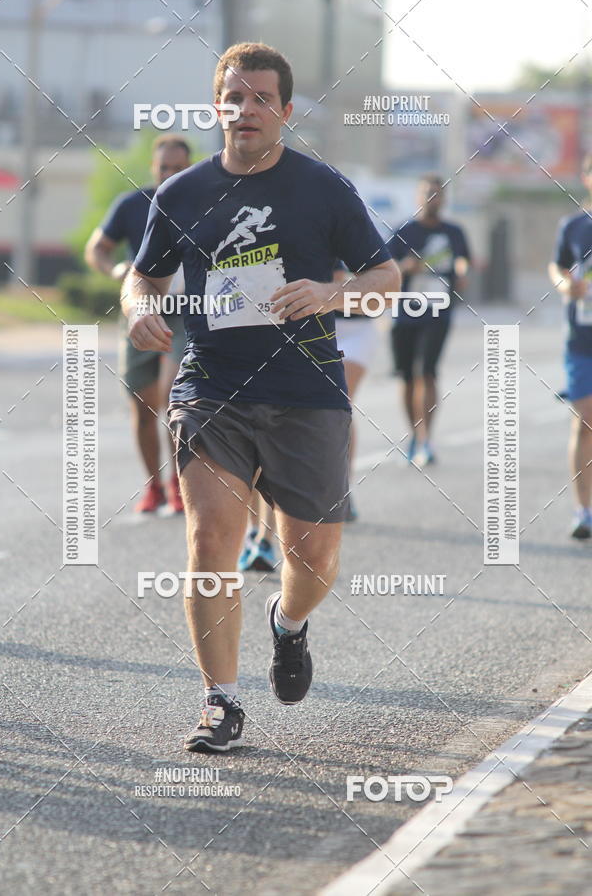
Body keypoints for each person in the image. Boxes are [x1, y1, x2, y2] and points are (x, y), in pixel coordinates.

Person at [122, 42, 400, 752]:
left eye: (260, 99)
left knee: (311, 560)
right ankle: (220, 701)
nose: (246, 111)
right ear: (219, 107)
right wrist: (136, 308)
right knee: (210, 535)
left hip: (306, 386)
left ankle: (289, 623)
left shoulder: (323, 187)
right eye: (234, 98)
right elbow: (142, 277)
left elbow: (387, 275)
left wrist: (331, 292)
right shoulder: (179, 194)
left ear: (284, 109)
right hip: (210, 384)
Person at [85, 135, 191, 513]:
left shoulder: (205, 203)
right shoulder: (132, 204)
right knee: (143, 406)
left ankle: (181, 484)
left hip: (187, 310)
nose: (171, 175)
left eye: (179, 169)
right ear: (153, 168)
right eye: (165, 168)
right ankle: (154, 486)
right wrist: (114, 269)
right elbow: (97, 247)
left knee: (175, 398)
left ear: (189, 168)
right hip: (142, 307)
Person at [388, 174, 470, 467]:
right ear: (417, 197)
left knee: (428, 371)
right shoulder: (403, 231)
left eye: (437, 194)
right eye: (427, 193)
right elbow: (382, 268)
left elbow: (463, 259)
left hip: (438, 310)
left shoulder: (454, 232)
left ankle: (426, 438)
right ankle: (414, 434)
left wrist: (461, 272)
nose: (432, 199)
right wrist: (404, 266)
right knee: (407, 376)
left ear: (444, 199)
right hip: (405, 312)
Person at [548, 153, 592, 539]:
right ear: (586, 177)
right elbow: (557, 266)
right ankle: (584, 511)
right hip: (582, 340)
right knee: (585, 420)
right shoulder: (574, 226)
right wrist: (566, 284)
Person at [333, 263, 378, 521]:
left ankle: (343, 489)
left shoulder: (361, 241)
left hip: (357, 331)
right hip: (319, 328)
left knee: (341, 403)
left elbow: (382, 289)